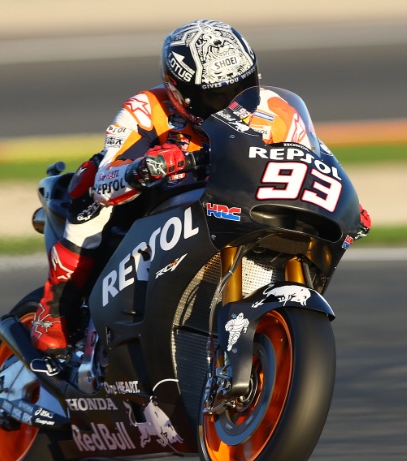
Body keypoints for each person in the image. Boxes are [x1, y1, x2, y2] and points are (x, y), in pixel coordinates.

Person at [30, 19, 370, 356]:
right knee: (87, 183)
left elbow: (312, 157)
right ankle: (56, 308)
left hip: (232, 201)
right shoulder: (147, 108)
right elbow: (106, 179)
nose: (231, 102)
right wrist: (142, 168)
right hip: (152, 206)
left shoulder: (277, 110)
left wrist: (343, 202)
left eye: (242, 88)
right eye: (214, 95)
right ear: (180, 92)